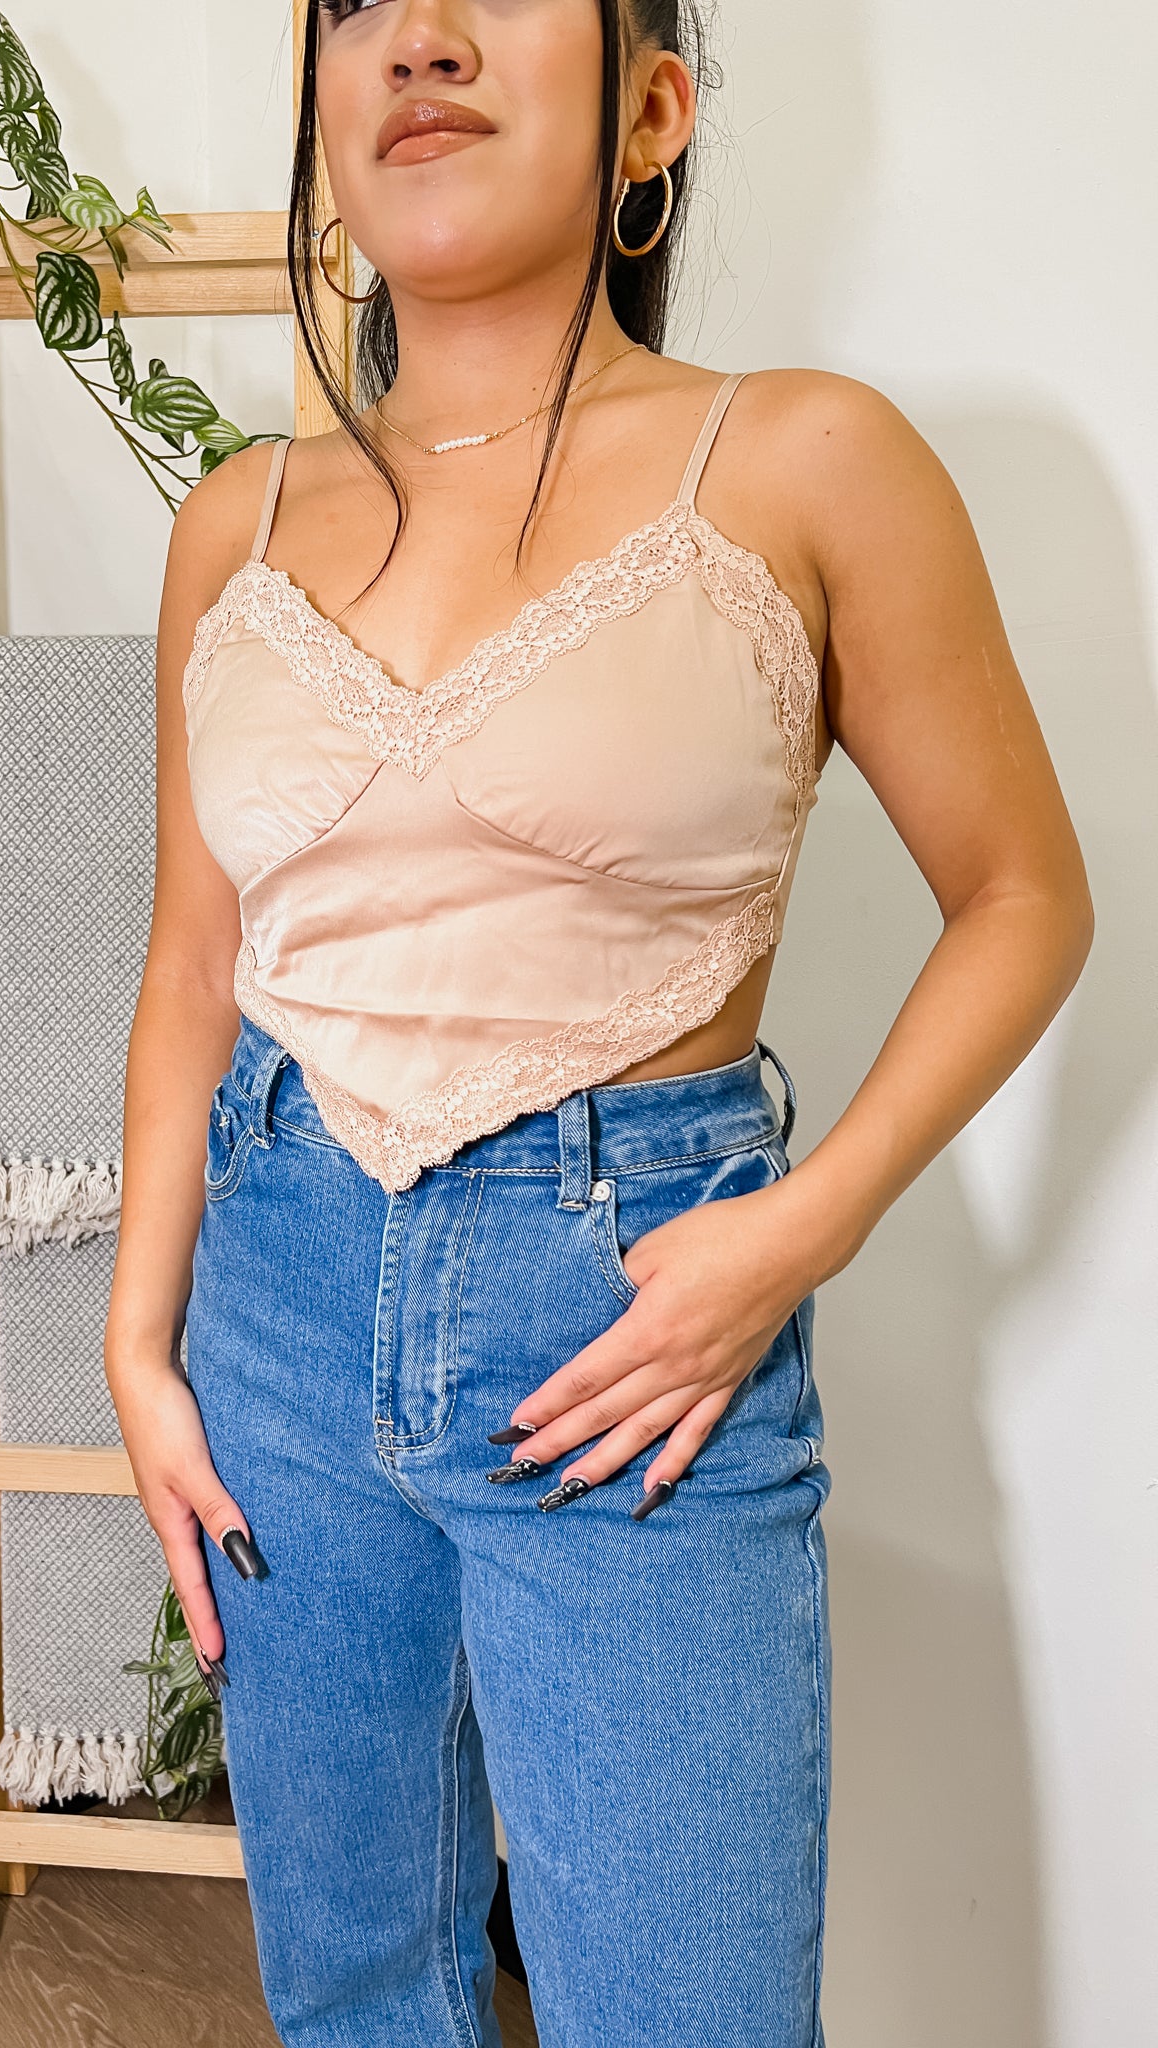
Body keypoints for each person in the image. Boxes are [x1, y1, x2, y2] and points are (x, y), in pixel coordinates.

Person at [103, 3, 1093, 2042]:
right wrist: (136, 1334)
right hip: (279, 1299)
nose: (421, 41)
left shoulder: (808, 458)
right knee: (361, 1989)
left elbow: (1025, 895)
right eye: (362, 5)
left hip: (629, 1313)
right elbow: (194, 962)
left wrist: (794, 1230)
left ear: (652, 109)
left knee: (687, 2013)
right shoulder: (238, 519)